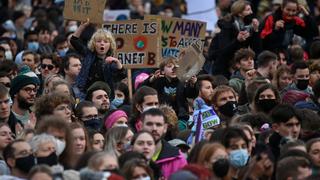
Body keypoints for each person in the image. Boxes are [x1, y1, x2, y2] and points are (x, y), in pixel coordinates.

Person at [70, 19, 126, 96]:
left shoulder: (111, 62)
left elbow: (121, 76)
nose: (102, 44)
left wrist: (117, 62)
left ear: (110, 45)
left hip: (105, 96)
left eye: (105, 42)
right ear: (94, 44)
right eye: (99, 41)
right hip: (85, 94)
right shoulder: (88, 54)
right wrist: (82, 26)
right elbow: (73, 41)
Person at [208, 0, 261, 78]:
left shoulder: (249, 27)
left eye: (251, 9)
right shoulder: (227, 27)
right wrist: (237, 41)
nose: (251, 12)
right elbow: (223, 51)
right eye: (248, 10)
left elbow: (257, 49)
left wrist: (256, 31)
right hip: (223, 71)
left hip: (240, 69)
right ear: (239, 13)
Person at [141, 108, 187, 178]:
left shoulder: (178, 159)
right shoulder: (129, 157)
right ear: (141, 126)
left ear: (165, 127)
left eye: (158, 124)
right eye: (149, 124)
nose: (154, 128)